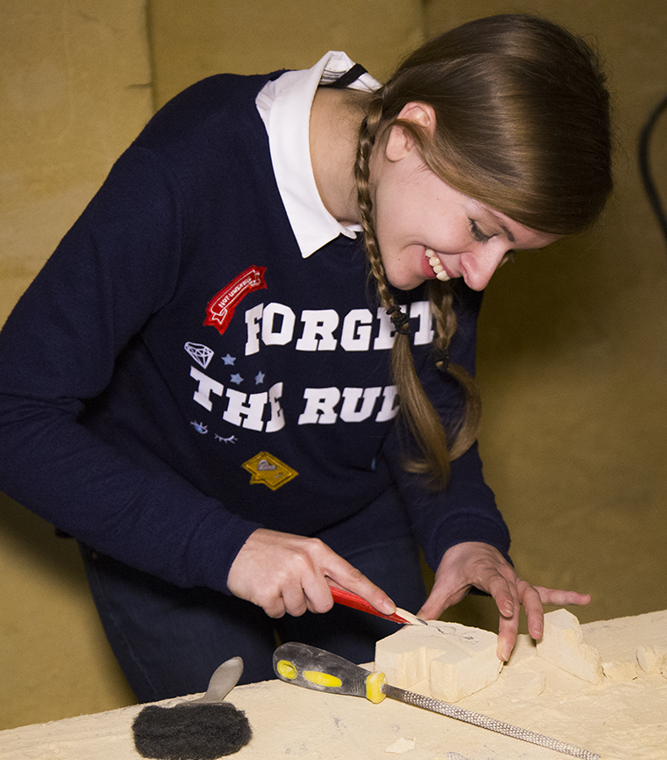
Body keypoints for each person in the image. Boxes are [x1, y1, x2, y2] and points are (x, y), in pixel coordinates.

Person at [0, 14, 612, 702]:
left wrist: (465, 535)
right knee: (245, 759)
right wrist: (226, 548)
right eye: (482, 230)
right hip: (168, 526)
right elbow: (14, 414)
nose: (479, 277)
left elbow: (424, 416)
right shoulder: (195, 166)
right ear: (408, 136)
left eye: (511, 253)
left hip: (355, 521)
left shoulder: (436, 212)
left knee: (392, 741)